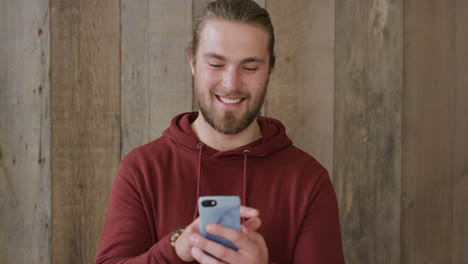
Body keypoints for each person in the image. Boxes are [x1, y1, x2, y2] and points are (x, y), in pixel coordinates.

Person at [95, 0, 345, 263]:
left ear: (270, 68)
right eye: (216, 64)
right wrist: (176, 249)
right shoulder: (142, 169)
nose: (231, 84)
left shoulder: (308, 180)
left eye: (250, 67)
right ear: (192, 62)